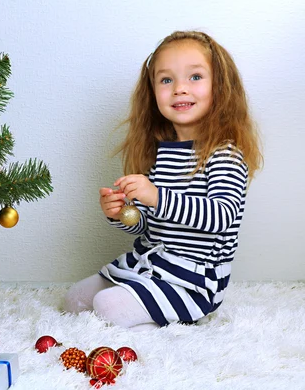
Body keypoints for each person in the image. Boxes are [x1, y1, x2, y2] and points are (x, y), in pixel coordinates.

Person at [63, 30, 263, 331]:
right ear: (153, 91)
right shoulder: (161, 152)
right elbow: (150, 224)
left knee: (107, 305)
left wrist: (157, 196)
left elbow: (222, 216)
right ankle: (143, 314)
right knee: (75, 299)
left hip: (194, 279)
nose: (180, 89)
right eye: (166, 80)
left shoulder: (225, 155)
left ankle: (161, 335)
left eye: (195, 77)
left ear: (220, 87)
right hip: (152, 265)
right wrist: (121, 214)